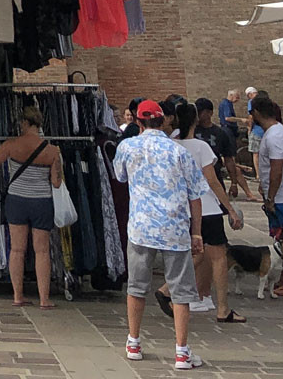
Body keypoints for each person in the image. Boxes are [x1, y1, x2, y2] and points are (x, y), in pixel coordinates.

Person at [114, 100, 208, 369]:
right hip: (175, 228)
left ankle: (133, 342)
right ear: (163, 121)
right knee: (180, 291)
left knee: (136, 286)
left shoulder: (127, 147)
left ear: (139, 122)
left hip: (141, 227)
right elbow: (196, 195)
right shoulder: (179, 151)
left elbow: (120, 176)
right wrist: (197, 233)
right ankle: (181, 351)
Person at [0, 107, 63, 308]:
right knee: (42, 251)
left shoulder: (11, 145)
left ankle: (18, 296)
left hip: (16, 200)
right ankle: (44, 299)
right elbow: (56, 182)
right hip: (41, 201)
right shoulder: (53, 151)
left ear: (25, 123)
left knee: (17, 249)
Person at [167, 102, 247, 322]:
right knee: (219, 256)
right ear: (195, 120)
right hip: (206, 207)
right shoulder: (201, 147)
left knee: (193, 253)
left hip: (181, 207)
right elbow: (212, 181)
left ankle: (169, 290)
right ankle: (222, 308)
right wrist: (230, 209)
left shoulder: (171, 144)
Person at [252, 94, 283, 297]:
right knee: (279, 238)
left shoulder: (275, 136)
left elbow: (277, 169)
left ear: (256, 113)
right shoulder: (275, 133)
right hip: (280, 193)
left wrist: (271, 196)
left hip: (282, 196)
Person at [195, 98, 248, 199]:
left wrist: (234, 183)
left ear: (210, 113)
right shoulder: (191, 130)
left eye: (201, 111)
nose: (198, 115)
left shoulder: (220, 133)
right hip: (196, 176)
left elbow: (228, 159)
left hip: (215, 175)